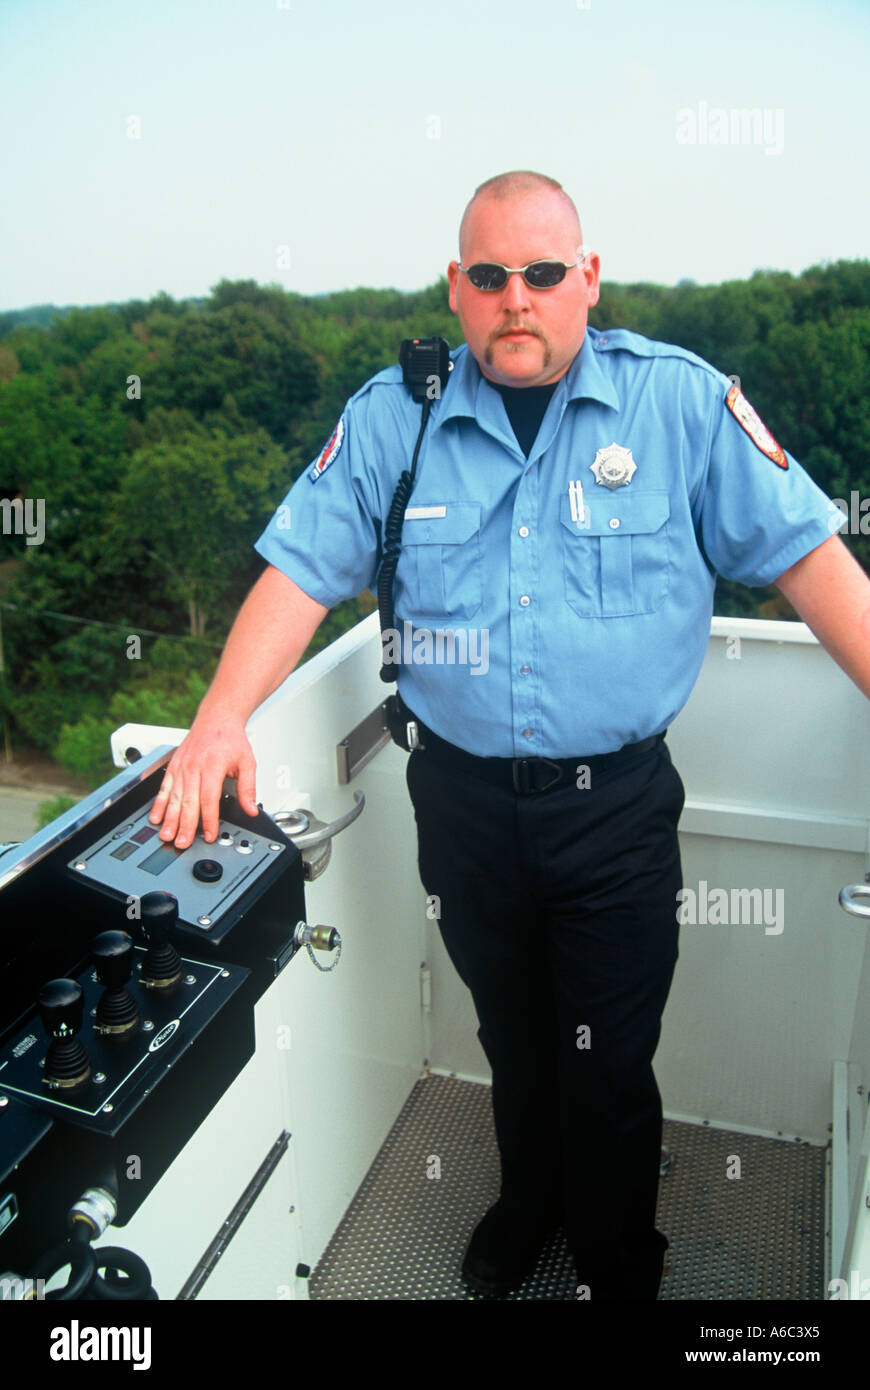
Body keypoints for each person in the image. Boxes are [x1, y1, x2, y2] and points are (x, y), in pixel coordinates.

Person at [150, 171, 870, 1301]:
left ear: (588, 280)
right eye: (490, 276)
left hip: (616, 811)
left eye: (542, 273)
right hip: (465, 808)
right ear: (457, 288)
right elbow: (299, 570)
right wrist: (217, 719)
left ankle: (619, 1255)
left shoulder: (676, 404)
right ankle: (528, 1202)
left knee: (611, 1059)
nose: (516, 298)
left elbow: (817, 568)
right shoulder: (398, 416)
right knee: (514, 1037)